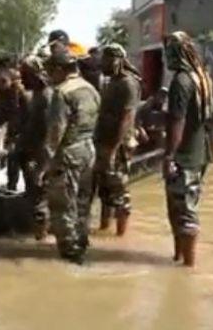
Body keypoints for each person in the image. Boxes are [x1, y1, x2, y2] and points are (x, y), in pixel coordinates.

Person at [162, 31, 213, 268]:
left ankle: (187, 266)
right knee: (183, 206)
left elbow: (178, 120)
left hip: (185, 154)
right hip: (201, 151)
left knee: (184, 211)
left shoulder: (181, 82)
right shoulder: (203, 77)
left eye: (169, 52)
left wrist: (169, 155)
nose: (166, 57)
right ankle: (179, 258)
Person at [44, 47, 100, 265]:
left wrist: (47, 163)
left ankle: (70, 252)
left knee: (62, 205)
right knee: (83, 202)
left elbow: (56, 131)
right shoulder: (91, 89)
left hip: (68, 153)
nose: (49, 77)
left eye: (50, 71)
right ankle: (82, 242)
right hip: (88, 150)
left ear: (59, 69)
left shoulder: (62, 92)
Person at [94, 43, 142, 237]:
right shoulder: (110, 82)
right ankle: (104, 228)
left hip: (118, 144)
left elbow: (127, 117)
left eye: (107, 59)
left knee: (119, 190)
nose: (102, 63)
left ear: (118, 60)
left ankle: (121, 236)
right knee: (104, 190)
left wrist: (113, 148)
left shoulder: (128, 83)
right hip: (103, 141)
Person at [18, 56, 53, 240]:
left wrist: (42, 167)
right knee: (35, 199)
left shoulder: (46, 97)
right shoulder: (36, 95)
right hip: (33, 153)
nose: (21, 77)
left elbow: (50, 134)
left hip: (42, 156)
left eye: (24, 73)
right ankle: (38, 237)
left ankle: (41, 242)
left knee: (40, 202)